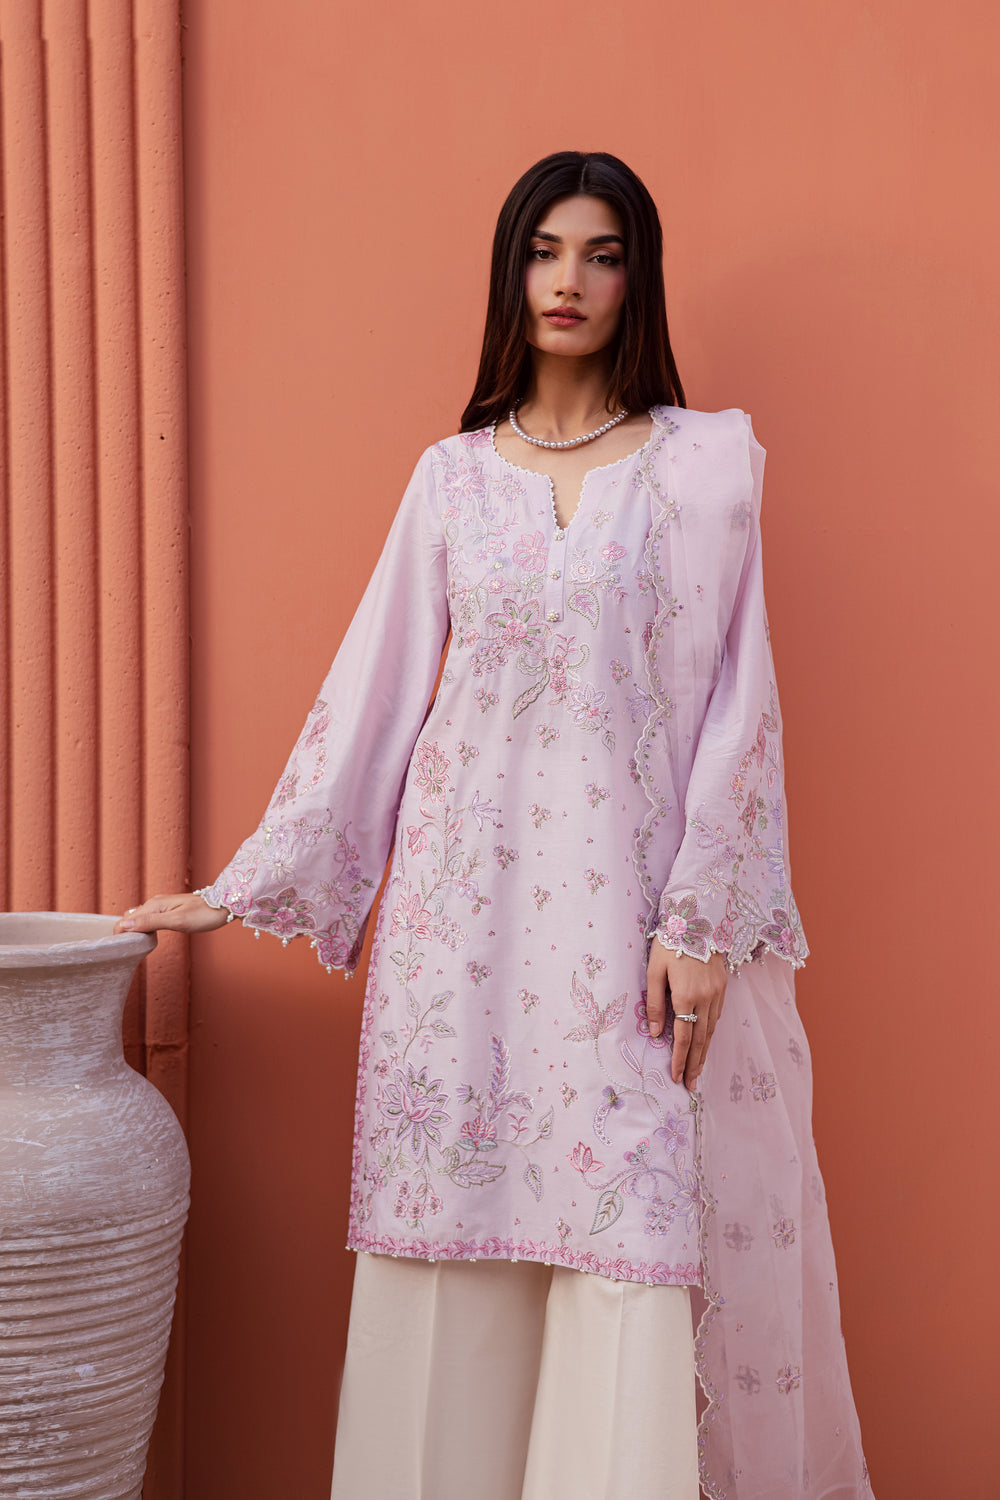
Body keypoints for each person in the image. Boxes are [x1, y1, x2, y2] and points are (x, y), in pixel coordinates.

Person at [118, 151, 873, 1499]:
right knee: (451, 1228)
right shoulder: (454, 481)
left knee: (626, 1229)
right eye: (543, 250)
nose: (568, 281)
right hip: (458, 938)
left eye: (602, 254)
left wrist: (703, 923)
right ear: (510, 271)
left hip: (630, 936)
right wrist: (242, 886)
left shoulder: (704, 470)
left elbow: (738, 704)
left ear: (638, 278)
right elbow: (375, 692)